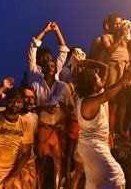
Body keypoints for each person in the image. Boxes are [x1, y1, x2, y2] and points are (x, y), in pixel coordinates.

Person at [74, 59, 131, 188]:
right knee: (117, 177)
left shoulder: (93, 95)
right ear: (93, 85)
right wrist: (124, 80)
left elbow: (105, 68)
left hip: (94, 146)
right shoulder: (88, 103)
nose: (101, 79)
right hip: (93, 147)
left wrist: (88, 62)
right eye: (98, 78)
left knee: (95, 183)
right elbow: (106, 95)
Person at [31, 59, 74, 189]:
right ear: (42, 70)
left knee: (58, 161)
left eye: (52, 66)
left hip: (58, 128)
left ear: (56, 70)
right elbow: (30, 107)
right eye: (47, 66)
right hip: (43, 127)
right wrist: (44, 108)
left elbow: (71, 108)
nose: (50, 68)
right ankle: (39, 186)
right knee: (41, 161)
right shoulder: (35, 86)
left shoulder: (63, 86)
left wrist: (63, 106)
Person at [100, 13, 131, 140]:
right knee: (112, 101)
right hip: (113, 68)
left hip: (125, 68)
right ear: (109, 25)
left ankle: (120, 129)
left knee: (123, 100)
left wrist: (129, 36)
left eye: (120, 23)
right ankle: (110, 130)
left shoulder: (125, 38)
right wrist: (120, 38)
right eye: (115, 23)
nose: (118, 25)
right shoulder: (106, 37)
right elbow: (110, 50)